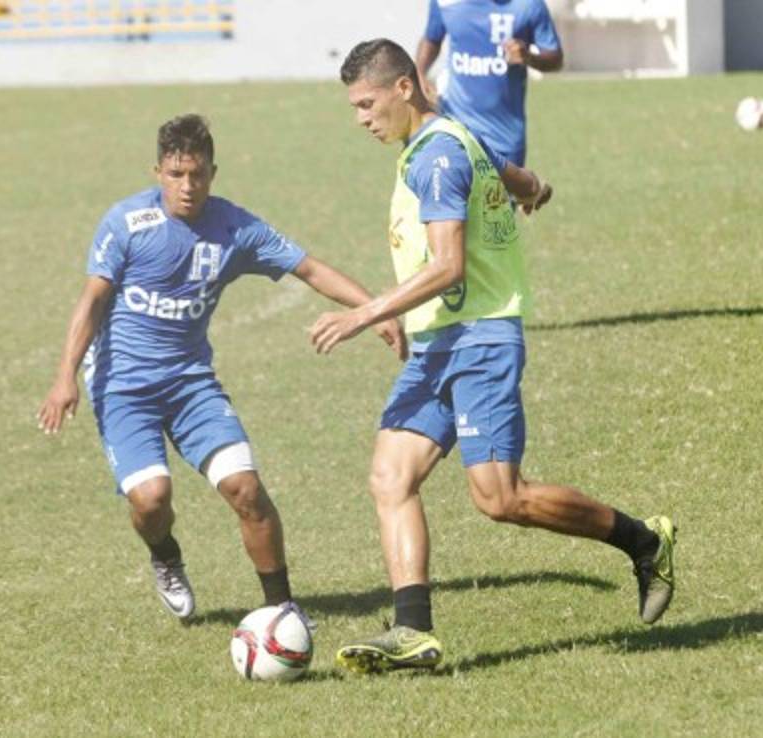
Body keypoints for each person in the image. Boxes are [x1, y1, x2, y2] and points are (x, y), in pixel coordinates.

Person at [311, 38, 675, 674]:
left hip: (478, 340)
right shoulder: (450, 137)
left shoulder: (436, 158)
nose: (360, 119)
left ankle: (644, 539)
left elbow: (450, 267)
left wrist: (365, 312)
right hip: (437, 346)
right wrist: (533, 186)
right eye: (353, 108)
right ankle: (413, 632)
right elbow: (503, 169)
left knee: (500, 500)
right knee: (390, 476)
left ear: (404, 87)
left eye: (367, 103)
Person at [37, 114, 405, 621]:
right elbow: (92, 302)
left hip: (191, 385)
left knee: (245, 489)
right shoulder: (126, 223)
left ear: (214, 172)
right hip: (124, 388)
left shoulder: (236, 229)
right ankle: (166, 556)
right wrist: (65, 378)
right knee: (151, 500)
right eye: (175, 174)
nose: (187, 187)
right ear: (158, 171)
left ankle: (282, 609)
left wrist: (374, 310)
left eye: (198, 174)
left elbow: (311, 269)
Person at [415, 0, 563, 168]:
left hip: (504, 138)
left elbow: (555, 58)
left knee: (501, 195)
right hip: (455, 131)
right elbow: (432, 38)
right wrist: (419, 73)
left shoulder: (530, 5)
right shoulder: (445, 2)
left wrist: (528, 57)